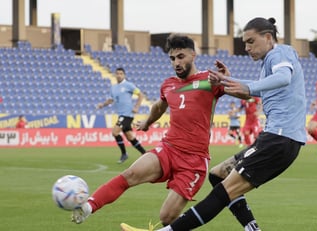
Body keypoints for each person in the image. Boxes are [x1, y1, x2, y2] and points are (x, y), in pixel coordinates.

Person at [128, 16, 307, 231]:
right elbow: (260, 87)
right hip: (277, 138)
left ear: (268, 37)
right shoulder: (270, 61)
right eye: (245, 43)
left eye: (251, 41)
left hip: (279, 138)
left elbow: (283, 77)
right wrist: (225, 81)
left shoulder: (280, 53)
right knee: (218, 174)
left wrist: (246, 88)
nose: (247, 48)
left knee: (224, 191)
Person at [72, 34, 244, 228]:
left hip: (194, 161)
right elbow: (159, 106)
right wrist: (147, 122)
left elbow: (242, 92)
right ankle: (89, 207)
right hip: (169, 149)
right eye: (172, 58)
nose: (176, 63)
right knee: (130, 174)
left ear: (193, 55)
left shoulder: (209, 80)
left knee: (167, 217)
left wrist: (226, 79)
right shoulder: (168, 84)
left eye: (181, 57)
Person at [96, 67, 146, 163]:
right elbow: (111, 100)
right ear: (115, 75)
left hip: (127, 114)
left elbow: (140, 95)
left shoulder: (128, 85)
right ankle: (145, 153)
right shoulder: (113, 88)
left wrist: (137, 107)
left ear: (124, 75)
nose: (119, 75)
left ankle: (124, 154)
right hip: (121, 115)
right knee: (130, 137)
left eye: (121, 73)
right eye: (117, 73)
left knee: (115, 132)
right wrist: (102, 105)